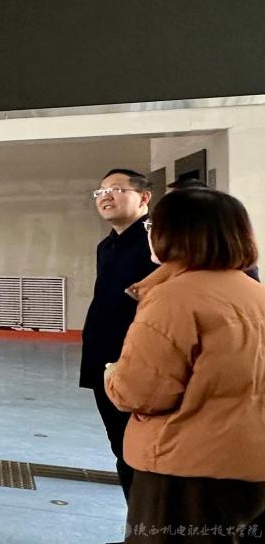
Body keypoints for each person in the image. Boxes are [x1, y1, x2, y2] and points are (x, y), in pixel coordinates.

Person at [105, 188, 265, 543]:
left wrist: (112, 374)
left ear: (176, 233)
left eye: (152, 225)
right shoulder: (254, 292)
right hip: (251, 465)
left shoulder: (175, 297)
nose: (148, 233)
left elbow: (142, 392)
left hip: (185, 470)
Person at [81, 169, 157, 522]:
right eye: (101, 191)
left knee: (144, 456)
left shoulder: (157, 245)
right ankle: (139, 530)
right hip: (105, 364)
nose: (106, 196)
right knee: (123, 450)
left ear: (144, 197)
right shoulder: (107, 245)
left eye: (116, 189)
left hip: (140, 367)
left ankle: (152, 531)